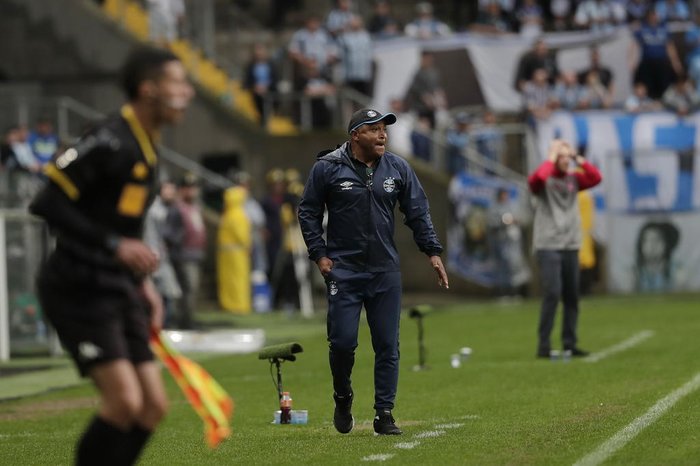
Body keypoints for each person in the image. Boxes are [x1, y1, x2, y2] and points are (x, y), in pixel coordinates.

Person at [29, 46, 194, 465]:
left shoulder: (147, 148)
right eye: (177, 82)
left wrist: (145, 286)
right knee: (123, 402)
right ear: (148, 89)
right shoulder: (108, 138)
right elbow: (47, 201)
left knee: (152, 405)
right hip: (77, 285)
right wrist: (113, 246)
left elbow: (126, 228)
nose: (186, 92)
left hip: (117, 285)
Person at [298, 108, 449, 436]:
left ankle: (384, 412)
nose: (383, 135)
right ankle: (343, 396)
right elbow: (308, 211)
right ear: (355, 136)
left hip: (384, 271)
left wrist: (432, 252)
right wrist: (319, 254)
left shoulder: (398, 167)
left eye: (384, 129)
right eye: (374, 129)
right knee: (342, 342)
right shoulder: (327, 167)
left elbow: (418, 211)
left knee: (387, 344)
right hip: (344, 271)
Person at [528, 139, 601, 359]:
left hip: (570, 243)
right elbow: (536, 180)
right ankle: (544, 345)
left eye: (567, 157)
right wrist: (551, 157)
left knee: (571, 295)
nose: (565, 160)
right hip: (549, 243)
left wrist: (577, 157)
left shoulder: (574, 179)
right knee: (552, 292)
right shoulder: (545, 177)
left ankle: (570, 343)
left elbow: (596, 177)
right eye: (561, 157)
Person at [635, 220, 680, 292]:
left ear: (666, 244)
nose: (651, 246)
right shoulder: (634, 272)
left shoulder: (677, 271)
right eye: (647, 240)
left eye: (657, 240)